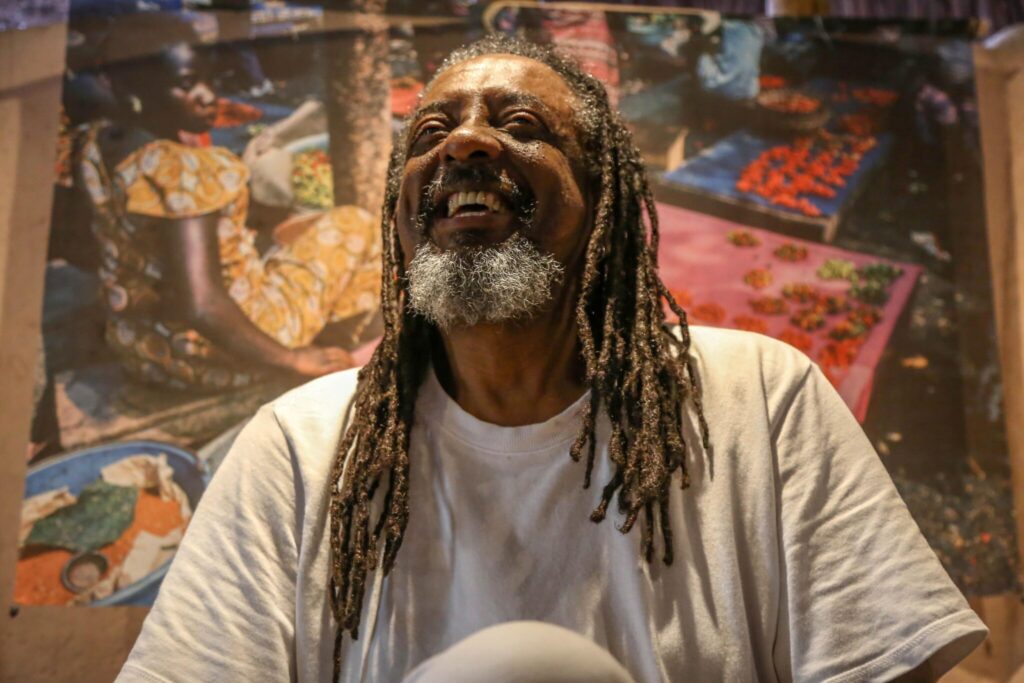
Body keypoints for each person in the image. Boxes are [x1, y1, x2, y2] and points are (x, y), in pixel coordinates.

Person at [115, 35, 986, 682]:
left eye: (520, 124)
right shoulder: (298, 448)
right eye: (429, 132)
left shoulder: (760, 398)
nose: (462, 145)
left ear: (601, 196)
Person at [77, 12, 381, 391]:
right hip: (213, 355)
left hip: (145, 346)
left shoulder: (97, 145)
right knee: (354, 224)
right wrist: (293, 360)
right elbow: (201, 304)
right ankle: (336, 352)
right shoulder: (182, 171)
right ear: (135, 88)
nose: (208, 95)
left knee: (297, 240)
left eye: (209, 80)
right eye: (187, 84)